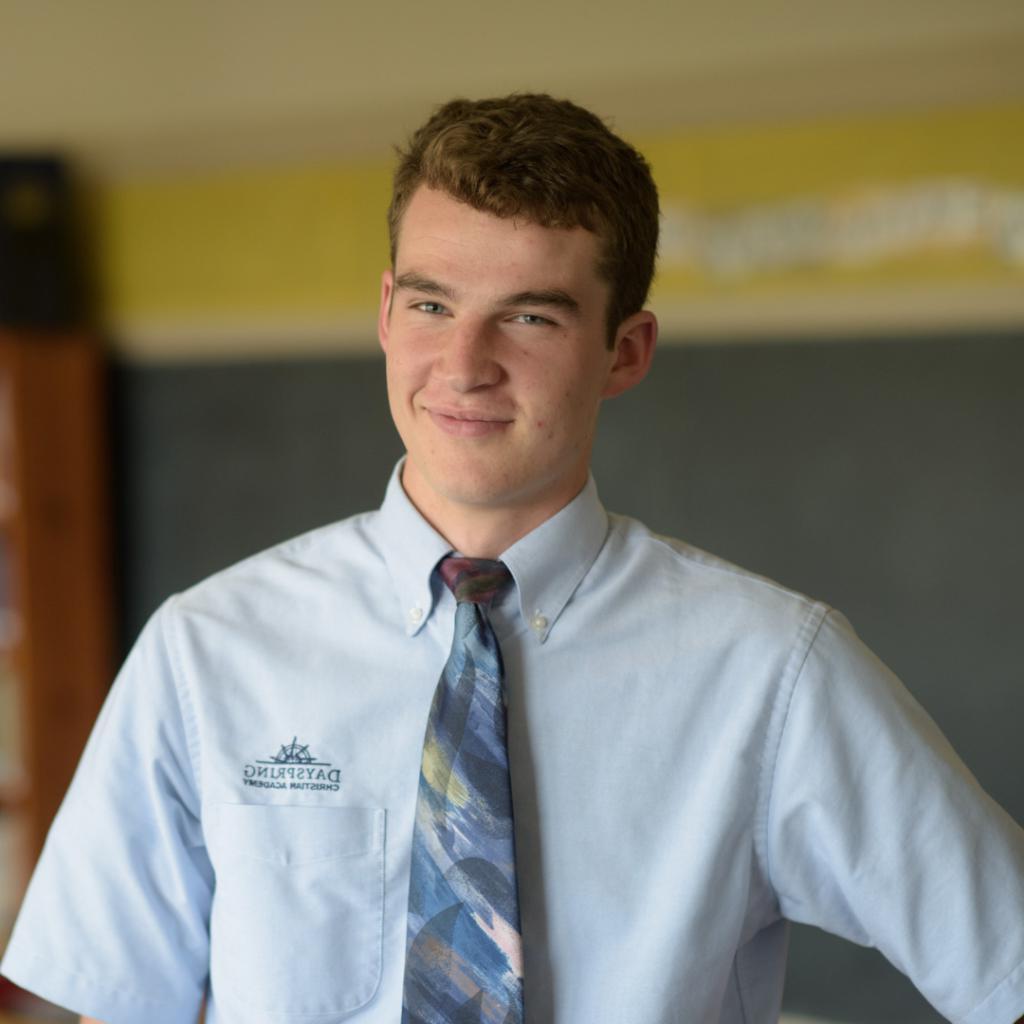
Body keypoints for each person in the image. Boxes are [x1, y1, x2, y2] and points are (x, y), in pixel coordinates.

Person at [2, 93, 1023, 1024]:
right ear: (385, 311)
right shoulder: (207, 648)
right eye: (432, 305)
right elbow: (114, 1000)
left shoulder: (771, 670)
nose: (463, 366)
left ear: (625, 350)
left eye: (529, 316)